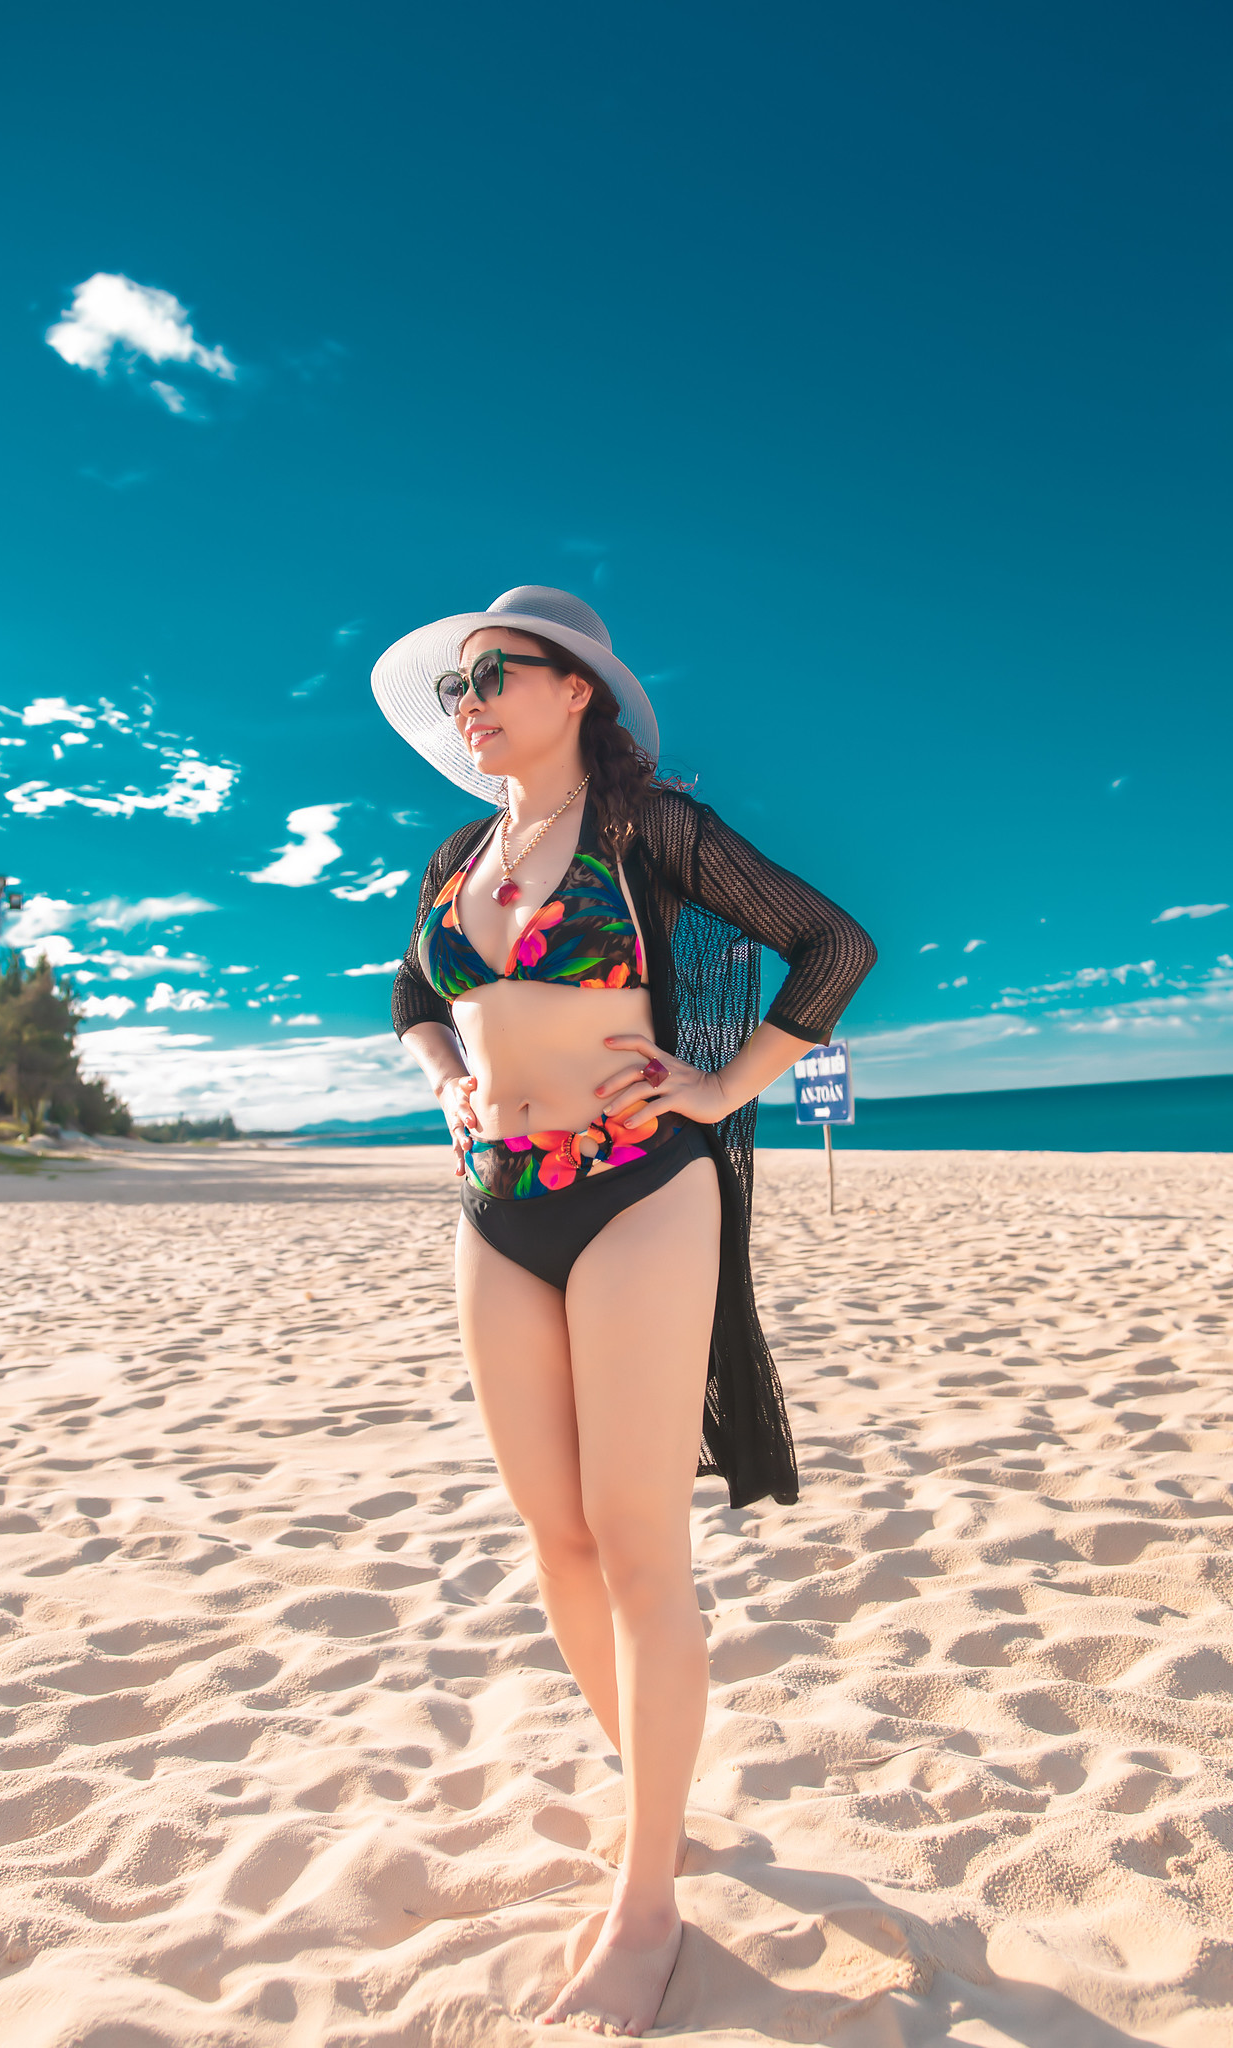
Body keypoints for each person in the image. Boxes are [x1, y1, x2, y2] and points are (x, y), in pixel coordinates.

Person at [372, 587, 876, 2037]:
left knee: (639, 1535)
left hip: (643, 1191)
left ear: (578, 689)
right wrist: (444, 1081)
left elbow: (832, 947)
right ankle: (660, 1797)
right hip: (497, 1200)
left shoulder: (646, 835)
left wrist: (719, 1089)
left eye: (493, 675)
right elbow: (414, 992)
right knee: (556, 1529)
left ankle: (649, 1899)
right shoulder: (456, 857)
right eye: (456, 684)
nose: (468, 701)